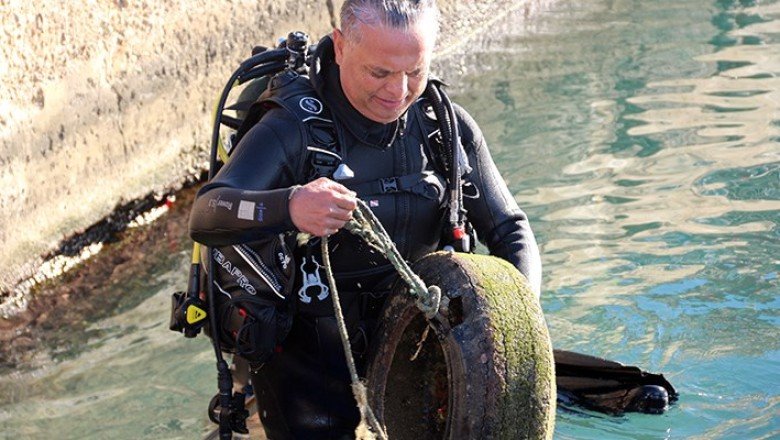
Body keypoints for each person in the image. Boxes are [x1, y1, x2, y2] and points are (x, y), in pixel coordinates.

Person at [188, 0, 542, 438]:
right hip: (307, 371)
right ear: (340, 47)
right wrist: (290, 205)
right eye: (379, 73)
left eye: (415, 71)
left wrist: (513, 326)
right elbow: (206, 213)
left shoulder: (444, 128)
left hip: (417, 358)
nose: (398, 91)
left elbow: (510, 229)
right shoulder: (291, 129)